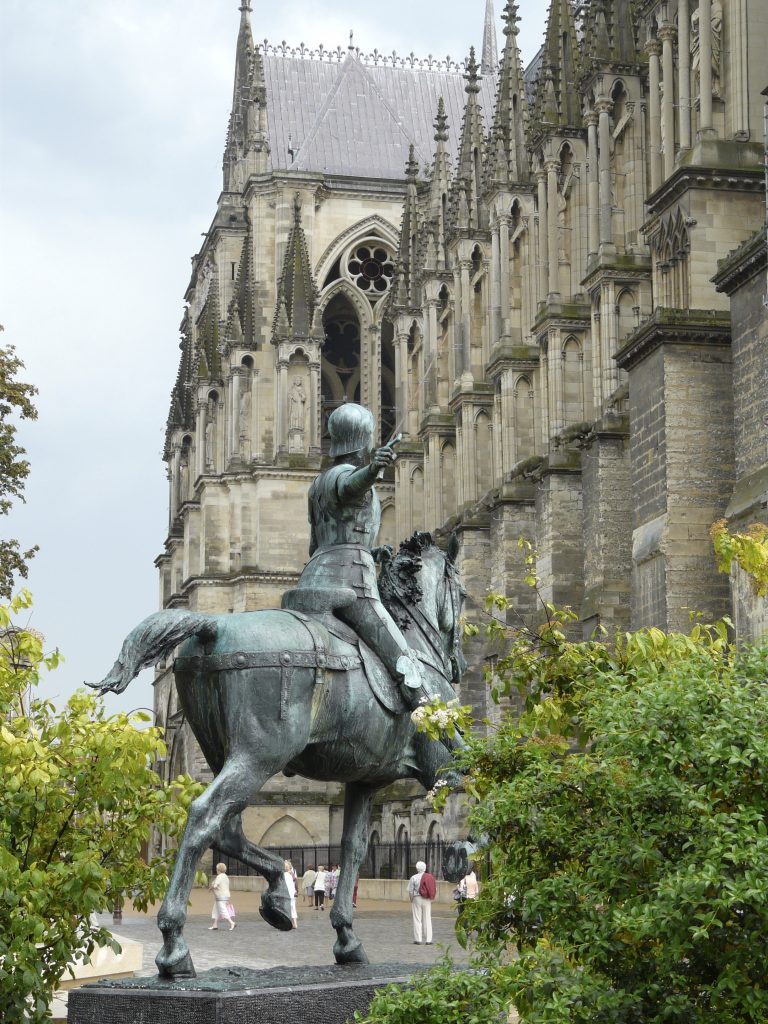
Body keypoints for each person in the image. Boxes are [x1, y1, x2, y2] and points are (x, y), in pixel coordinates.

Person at [293, 403, 427, 710]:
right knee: (404, 662)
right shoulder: (345, 476)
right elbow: (349, 488)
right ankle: (430, 719)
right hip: (352, 585)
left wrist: (368, 549)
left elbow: (318, 542)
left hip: (313, 578)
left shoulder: (316, 484)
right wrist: (373, 469)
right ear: (364, 438)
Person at [407, 859, 437, 945]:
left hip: (417, 898)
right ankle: (428, 940)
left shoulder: (413, 877)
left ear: (417, 868)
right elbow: (434, 888)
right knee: (427, 918)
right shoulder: (430, 877)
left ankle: (418, 939)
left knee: (417, 918)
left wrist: (411, 899)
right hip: (427, 899)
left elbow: (410, 891)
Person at [208, 862, 236, 931]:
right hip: (225, 896)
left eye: (217, 869)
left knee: (223, 910)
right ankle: (215, 925)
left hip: (221, 897)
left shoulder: (219, 877)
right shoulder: (226, 876)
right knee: (216, 910)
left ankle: (232, 922)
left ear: (218, 869)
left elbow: (215, 885)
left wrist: (211, 888)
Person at [283, 859, 298, 929]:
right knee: (293, 908)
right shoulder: (291, 873)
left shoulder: (284, 874)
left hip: (287, 893)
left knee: (287, 908)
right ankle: (294, 923)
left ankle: (290, 923)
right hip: (292, 893)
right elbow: (294, 882)